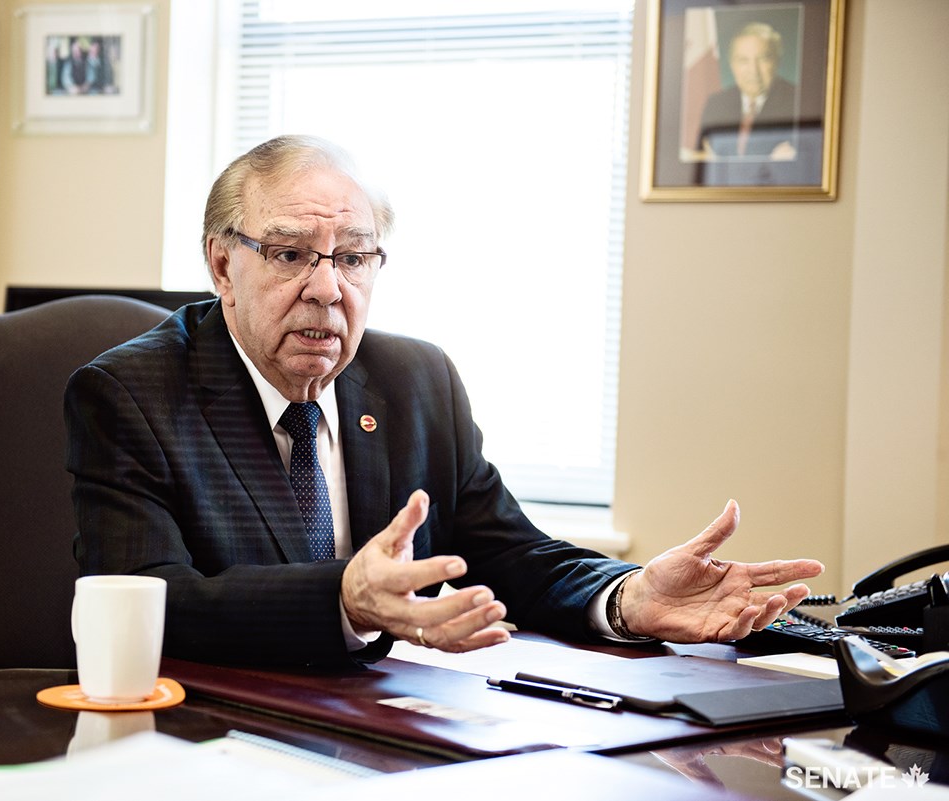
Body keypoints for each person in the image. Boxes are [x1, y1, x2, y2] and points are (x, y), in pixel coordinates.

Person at [64, 134, 823, 668]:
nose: (328, 288)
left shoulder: (417, 380)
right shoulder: (132, 394)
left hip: (396, 734)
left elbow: (509, 554)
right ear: (224, 265)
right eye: (292, 254)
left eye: (354, 257)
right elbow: (153, 601)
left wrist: (625, 597)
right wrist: (347, 599)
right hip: (217, 743)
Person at [696, 22, 799, 159]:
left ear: (777, 61)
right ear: (732, 64)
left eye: (763, 59)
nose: (753, 70)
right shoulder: (716, 103)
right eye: (743, 60)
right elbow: (701, 158)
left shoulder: (798, 102)